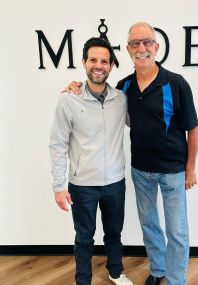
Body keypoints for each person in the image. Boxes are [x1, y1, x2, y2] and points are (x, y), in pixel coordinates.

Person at [67, 22, 198, 285]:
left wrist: (190, 168)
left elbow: (194, 129)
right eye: (135, 43)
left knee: (177, 231)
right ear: (127, 50)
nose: (142, 48)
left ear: (157, 46)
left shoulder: (176, 83)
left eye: (147, 42)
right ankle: (159, 270)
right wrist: (76, 86)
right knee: (149, 226)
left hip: (173, 171)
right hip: (141, 171)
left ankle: (175, 281)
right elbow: (99, 99)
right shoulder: (124, 87)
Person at [49, 37, 133, 285]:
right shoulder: (68, 99)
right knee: (84, 237)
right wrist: (58, 186)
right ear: (84, 62)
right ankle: (82, 280)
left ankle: (116, 272)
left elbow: (140, 123)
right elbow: (57, 144)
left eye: (104, 61)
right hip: (82, 184)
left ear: (111, 66)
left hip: (115, 182)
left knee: (114, 233)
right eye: (93, 60)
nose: (99, 65)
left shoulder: (121, 99)